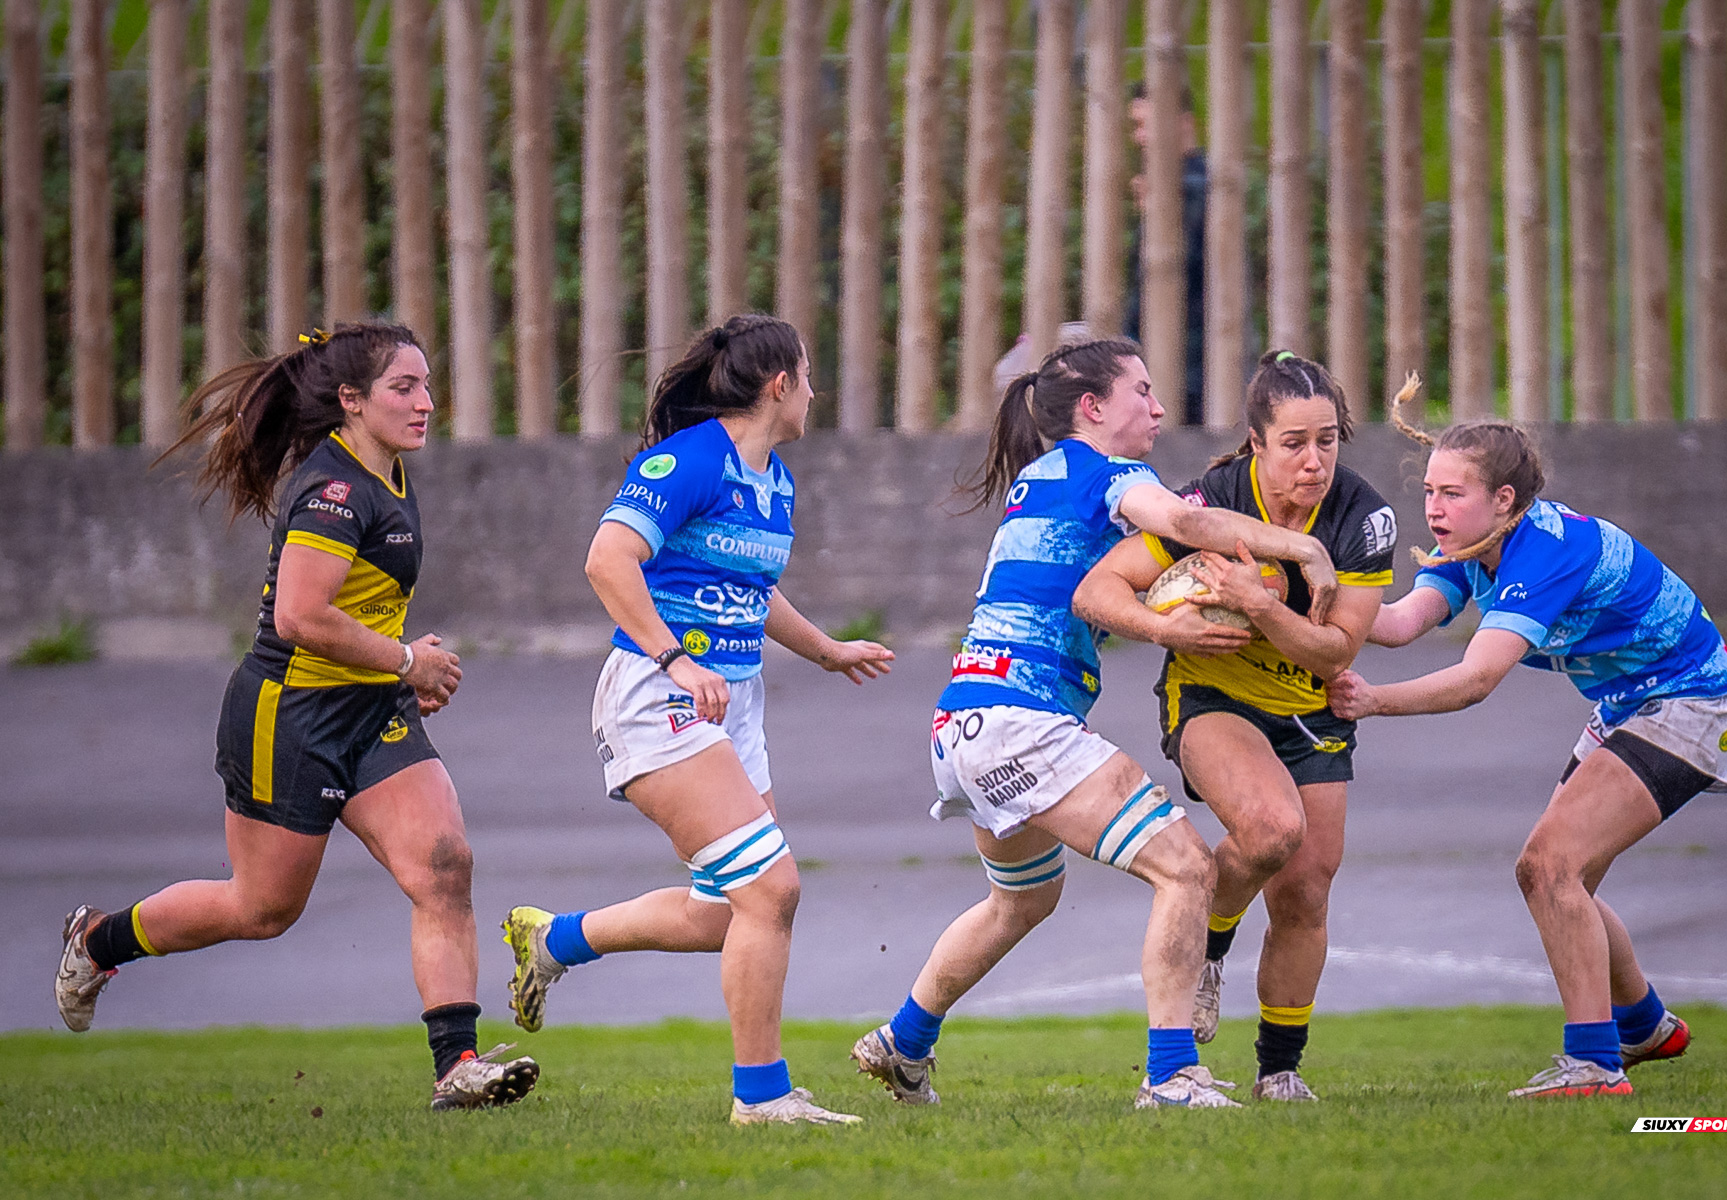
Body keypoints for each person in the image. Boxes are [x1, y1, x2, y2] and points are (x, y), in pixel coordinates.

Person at [53, 322, 539, 1111]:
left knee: (445, 865)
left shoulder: (388, 474)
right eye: (403, 389)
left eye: (426, 384)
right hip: (290, 715)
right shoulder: (336, 490)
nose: (426, 403)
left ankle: (458, 1067)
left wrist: (399, 671)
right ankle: (98, 940)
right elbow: (301, 618)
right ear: (351, 402)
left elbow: (359, 611)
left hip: (368, 709)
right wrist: (408, 661)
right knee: (262, 907)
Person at [850, 338, 1343, 1112]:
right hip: (1023, 720)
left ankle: (903, 1043)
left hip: (965, 720)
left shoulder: (1041, 476)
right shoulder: (1106, 472)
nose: (1156, 407)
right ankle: (1173, 1077)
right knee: (1186, 866)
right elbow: (1182, 520)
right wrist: (1304, 546)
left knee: (1022, 901)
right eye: (1141, 392)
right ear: (1092, 409)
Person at [499, 314, 893, 1127]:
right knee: (773, 888)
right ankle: (762, 1097)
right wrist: (676, 658)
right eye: (810, 375)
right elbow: (607, 559)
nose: (816, 392)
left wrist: (824, 650)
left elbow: (752, 588)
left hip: (730, 704)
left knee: (724, 911)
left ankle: (555, 941)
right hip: (656, 693)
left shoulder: (774, 480)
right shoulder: (690, 461)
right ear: (779, 384)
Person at [1326, 390, 1727, 1099]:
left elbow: (1477, 678)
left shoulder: (1544, 549)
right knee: (1559, 878)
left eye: (1452, 493)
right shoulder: (1472, 547)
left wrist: (1372, 702)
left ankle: (1594, 1066)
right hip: (1630, 705)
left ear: (1505, 499)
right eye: (1429, 490)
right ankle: (1643, 1026)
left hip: (1692, 702)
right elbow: (1397, 623)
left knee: (1551, 866)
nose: (1433, 508)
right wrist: (1302, 587)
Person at [1073, 349, 1397, 1102]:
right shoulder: (1214, 500)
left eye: (1327, 441)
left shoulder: (1362, 516)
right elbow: (1098, 588)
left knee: (1306, 890)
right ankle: (1212, 945)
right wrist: (1164, 631)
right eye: (1293, 443)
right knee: (1270, 827)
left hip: (1309, 709)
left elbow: (1335, 653)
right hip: (1212, 696)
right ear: (1257, 443)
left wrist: (1257, 604)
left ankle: (1278, 1069)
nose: (1313, 462)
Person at [1122, 83, 1207, 425]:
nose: (1138, 138)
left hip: (1193, 368)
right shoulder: (1177, 188)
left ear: (1183, 125)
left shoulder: (1197, 189)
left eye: (1145, 126)